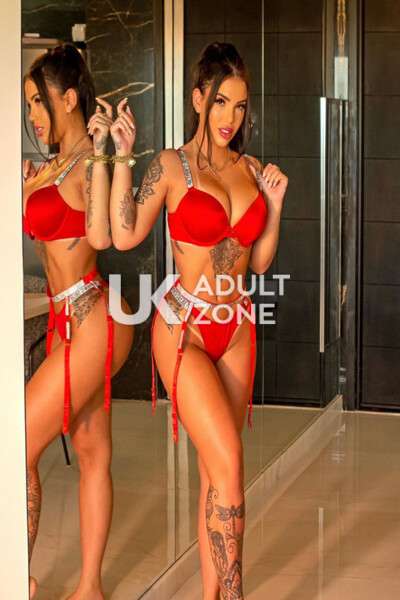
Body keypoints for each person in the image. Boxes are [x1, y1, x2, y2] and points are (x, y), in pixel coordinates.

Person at [109, 42, 288, 599]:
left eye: (240, 105)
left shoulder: (251, 169)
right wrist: (121, 156)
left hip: (235, 328)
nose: (231, 117)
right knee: (230, 460)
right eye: (220, 102)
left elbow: (259, 263)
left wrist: (275, 208)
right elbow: (124, 235)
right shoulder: (170, 166)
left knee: (217, 469)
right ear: (197, 99)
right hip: (183, 328)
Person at [23, 44, 133, 600]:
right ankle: (90, 587)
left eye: (37, 102)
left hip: (92, 318)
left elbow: (99, 236)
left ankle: (15, 578)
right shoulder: (51, 165)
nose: (32, 115)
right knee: (92, 454)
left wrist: (106, 159)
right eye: (27, 105)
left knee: (16, 444)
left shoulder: (88, 159)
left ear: (68, 99)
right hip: (68, 320)